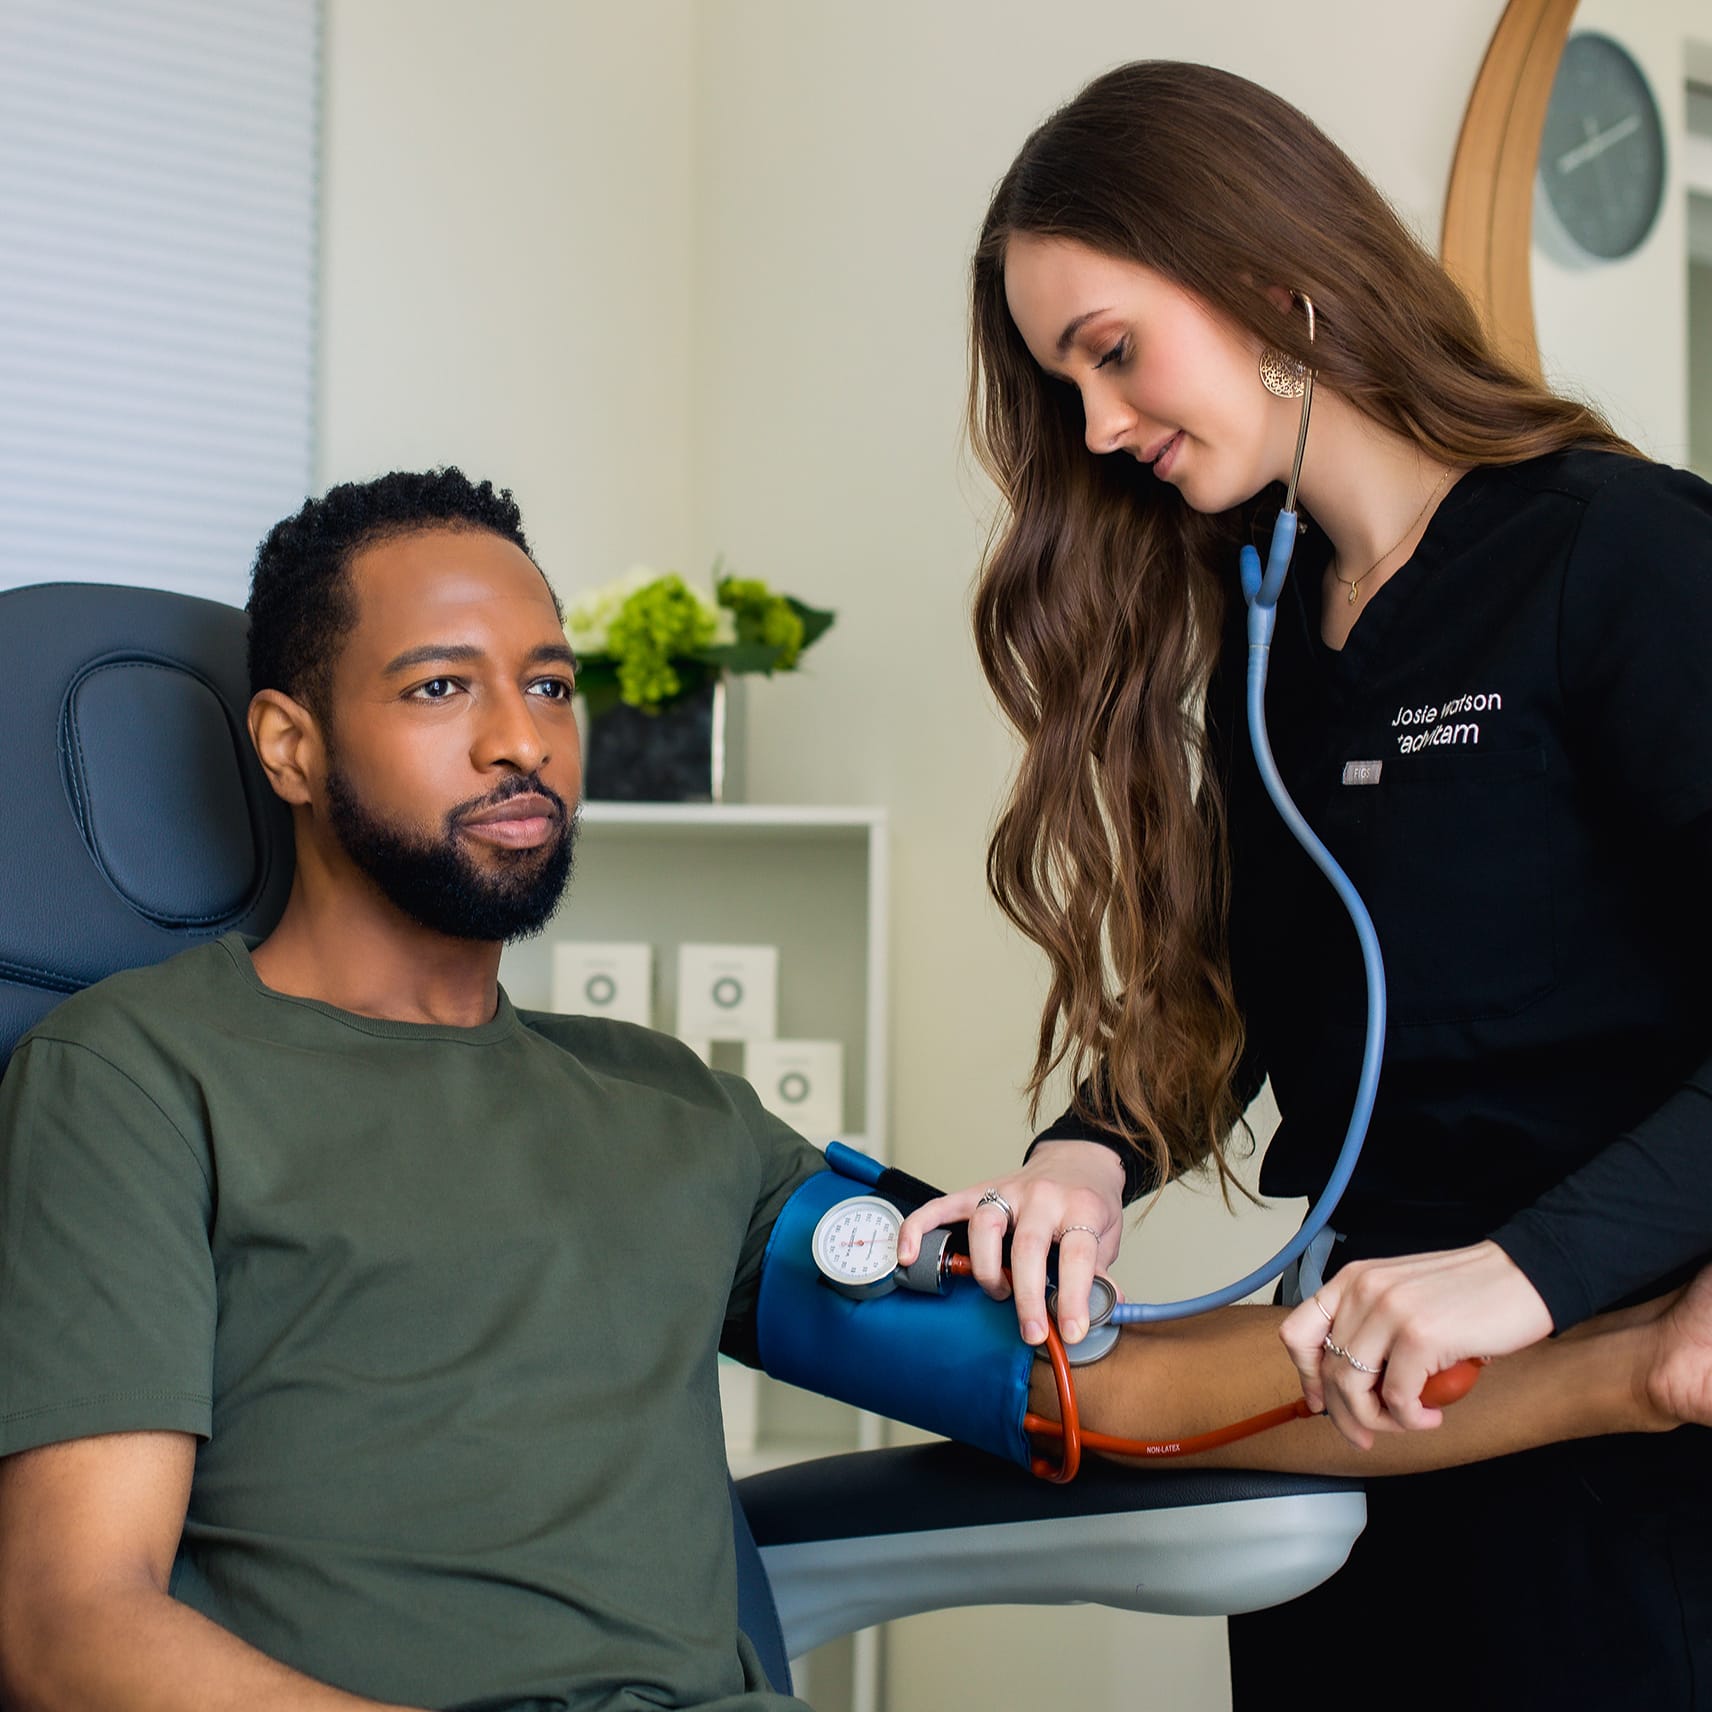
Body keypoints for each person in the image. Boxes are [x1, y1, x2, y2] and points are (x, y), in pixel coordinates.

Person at [0, 470, 1708, 1712]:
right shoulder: (140, 1076)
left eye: (552, 684)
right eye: (442, 688)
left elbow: (1118, 1394)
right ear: (290, 745)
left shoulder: (666, 1111)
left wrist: (1636, 1369)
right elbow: (74, 1628)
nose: (523, 739)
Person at [896, 59, 1712, 1707]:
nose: (1097, 427)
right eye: (1066, 385)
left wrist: (1526, 1271)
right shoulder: (1269, 632)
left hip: (1626, 1435)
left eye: (1112, 352)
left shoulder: (1620, 554)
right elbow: (1253, 985)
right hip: (1349, 1430)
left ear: (1272, 281)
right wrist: (1086, 1159)